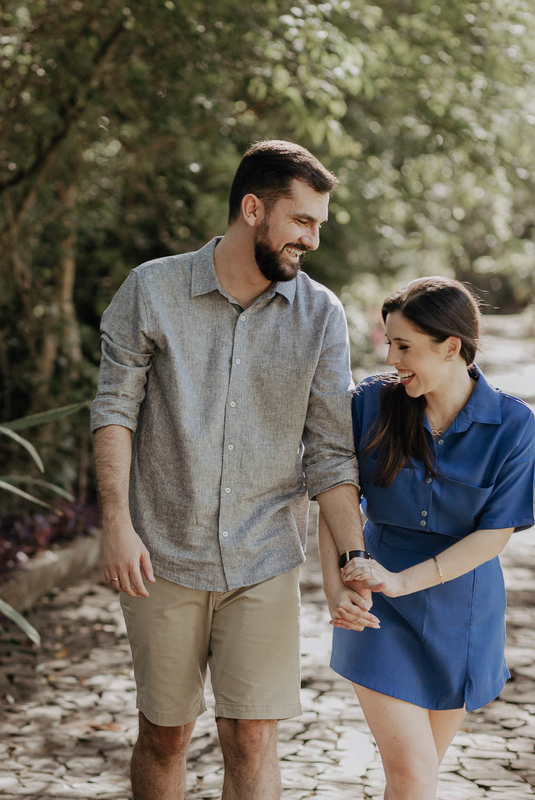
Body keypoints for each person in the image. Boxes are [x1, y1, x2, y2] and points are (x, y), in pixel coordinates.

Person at [91, 139, 378, 800]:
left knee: (252, 734)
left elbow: (332, 456)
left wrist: (352, 561)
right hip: (163, 552)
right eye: (301, 221)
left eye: (317, 226)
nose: (311, 239)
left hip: (264, 556)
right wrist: (116, 522)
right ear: (254, 209)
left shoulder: (320, 315)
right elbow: (114, 409)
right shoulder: (153, 289)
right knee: (165, 732)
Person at [320, 276, 535, 799]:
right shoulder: (371, 403)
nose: (391, 358)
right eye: (389, 343)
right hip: (378, 609)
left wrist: (403, 581)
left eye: (404, 346)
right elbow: (335, 493)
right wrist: (335, 584)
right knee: (414, 777)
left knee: (416, 778)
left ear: (451, 346)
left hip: (461, 612)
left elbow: (494, 534)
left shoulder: (513, 424)